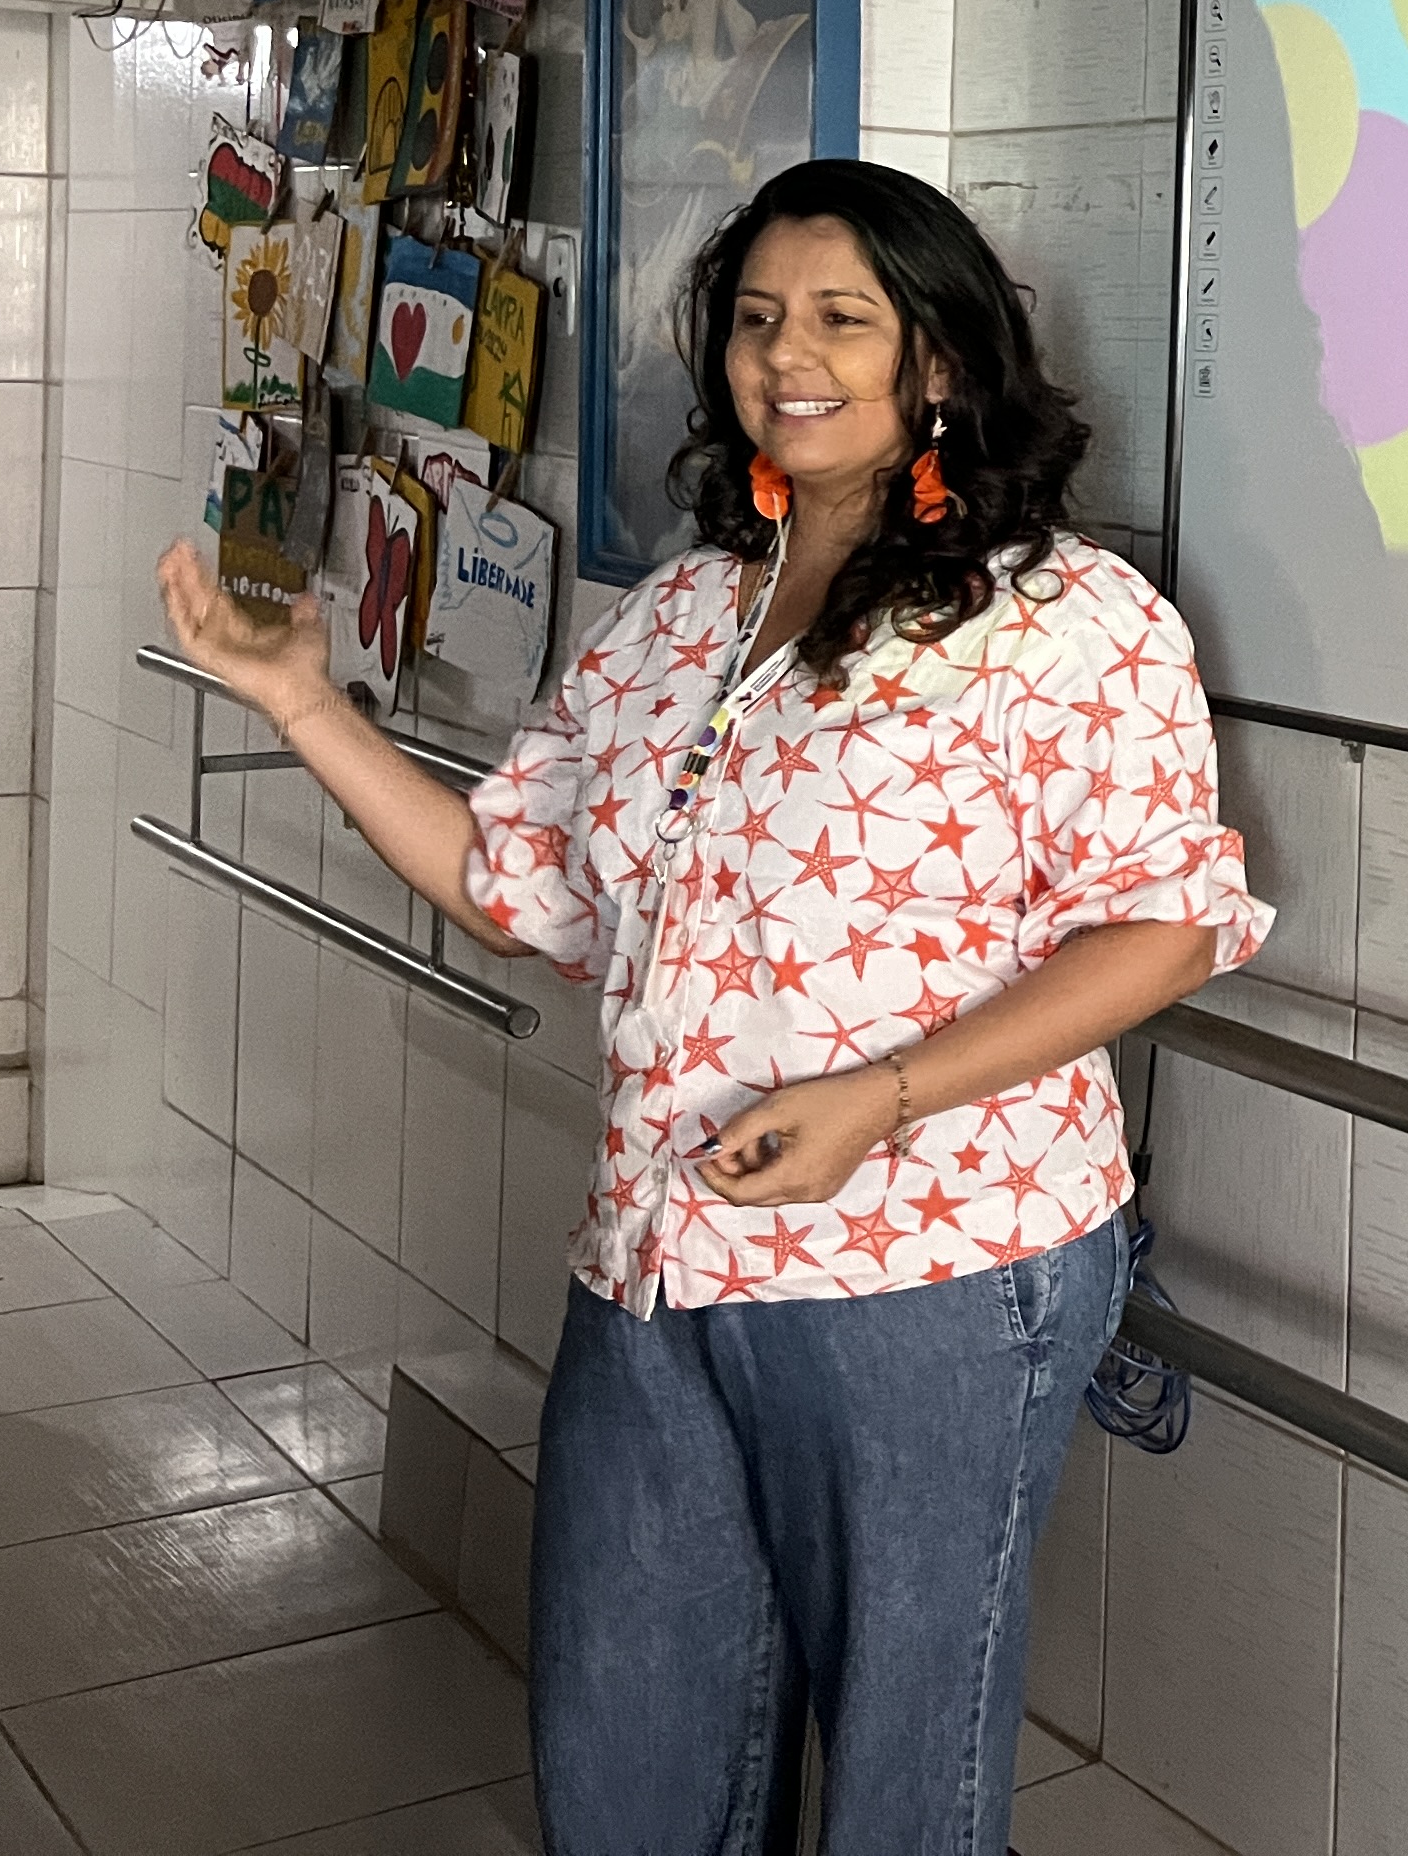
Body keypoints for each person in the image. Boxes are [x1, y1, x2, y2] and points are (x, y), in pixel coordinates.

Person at [160, 156, 1270, 1855]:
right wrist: (307, 705)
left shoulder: (1064, 619)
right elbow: (514, 884)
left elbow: (1165, 929)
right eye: (756, 319)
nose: (787, 356)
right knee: (628, 1752)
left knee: (901, 1786)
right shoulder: (678, 615)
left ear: (941, 360)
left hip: (933, 1269)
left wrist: (881, 1098)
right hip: (659, 1254)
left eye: (841, 318)